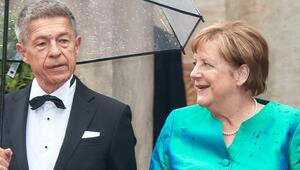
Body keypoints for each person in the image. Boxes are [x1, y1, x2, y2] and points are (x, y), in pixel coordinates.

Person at [0, 0, 136, 169]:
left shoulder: (113, 116)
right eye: (42, 43)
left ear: (76, 45)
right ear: (23, 53)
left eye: (63, 40)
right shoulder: (3, 110)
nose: (55, 52)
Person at [150, 21, 300, 169]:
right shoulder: (178, 122)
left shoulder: (290, 124)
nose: (194, 74)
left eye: (207, 64)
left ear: (241, 74)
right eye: (195, 63)